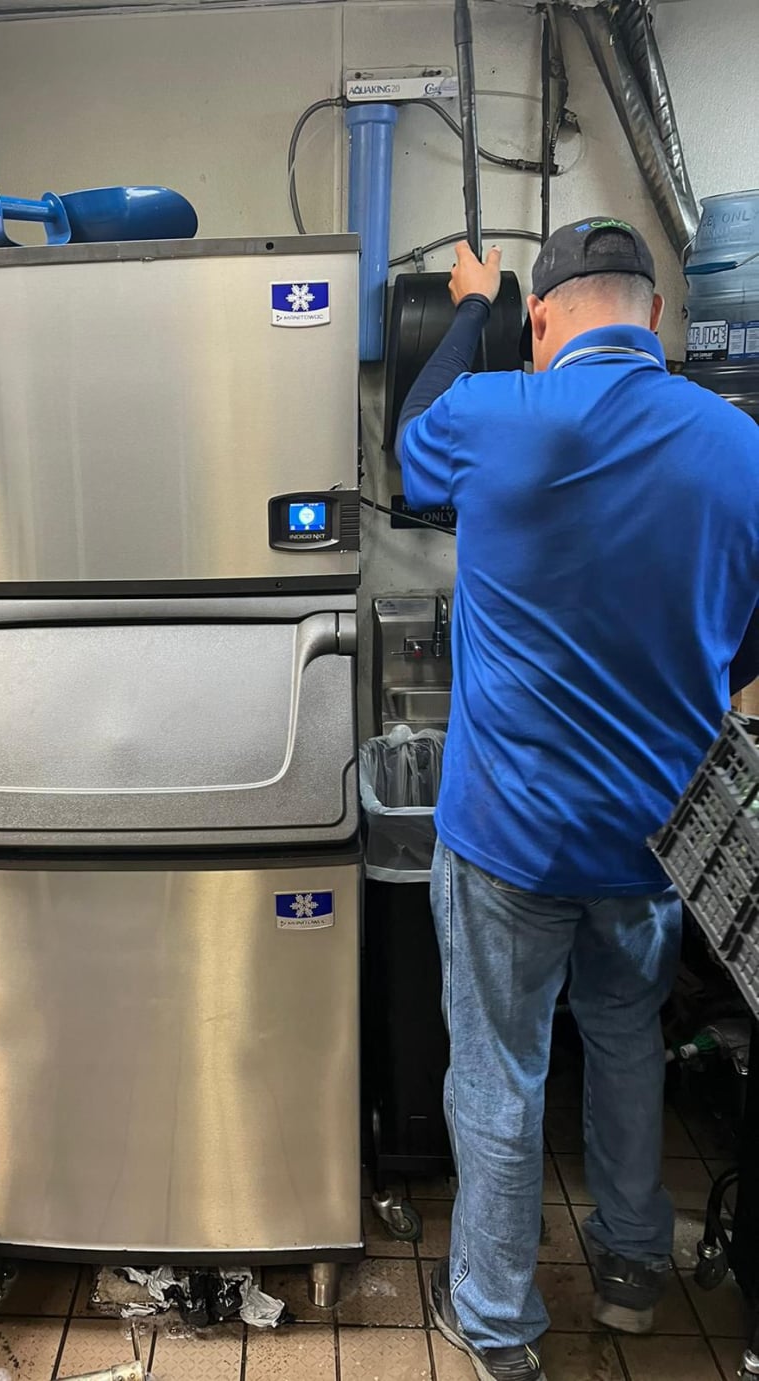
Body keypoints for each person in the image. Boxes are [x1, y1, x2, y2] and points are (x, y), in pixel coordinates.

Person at [394, 218, 759, 1381]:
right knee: (623, 1043)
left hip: (507, 839)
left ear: (541, 322)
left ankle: (498, 1325)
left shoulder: (493, 410)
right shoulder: (740, 445)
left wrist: (471, 305)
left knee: (498, 1072)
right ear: (653, 315)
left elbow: (407, 448)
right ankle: (634, 1273)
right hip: (650, 842)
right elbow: (747, 644)